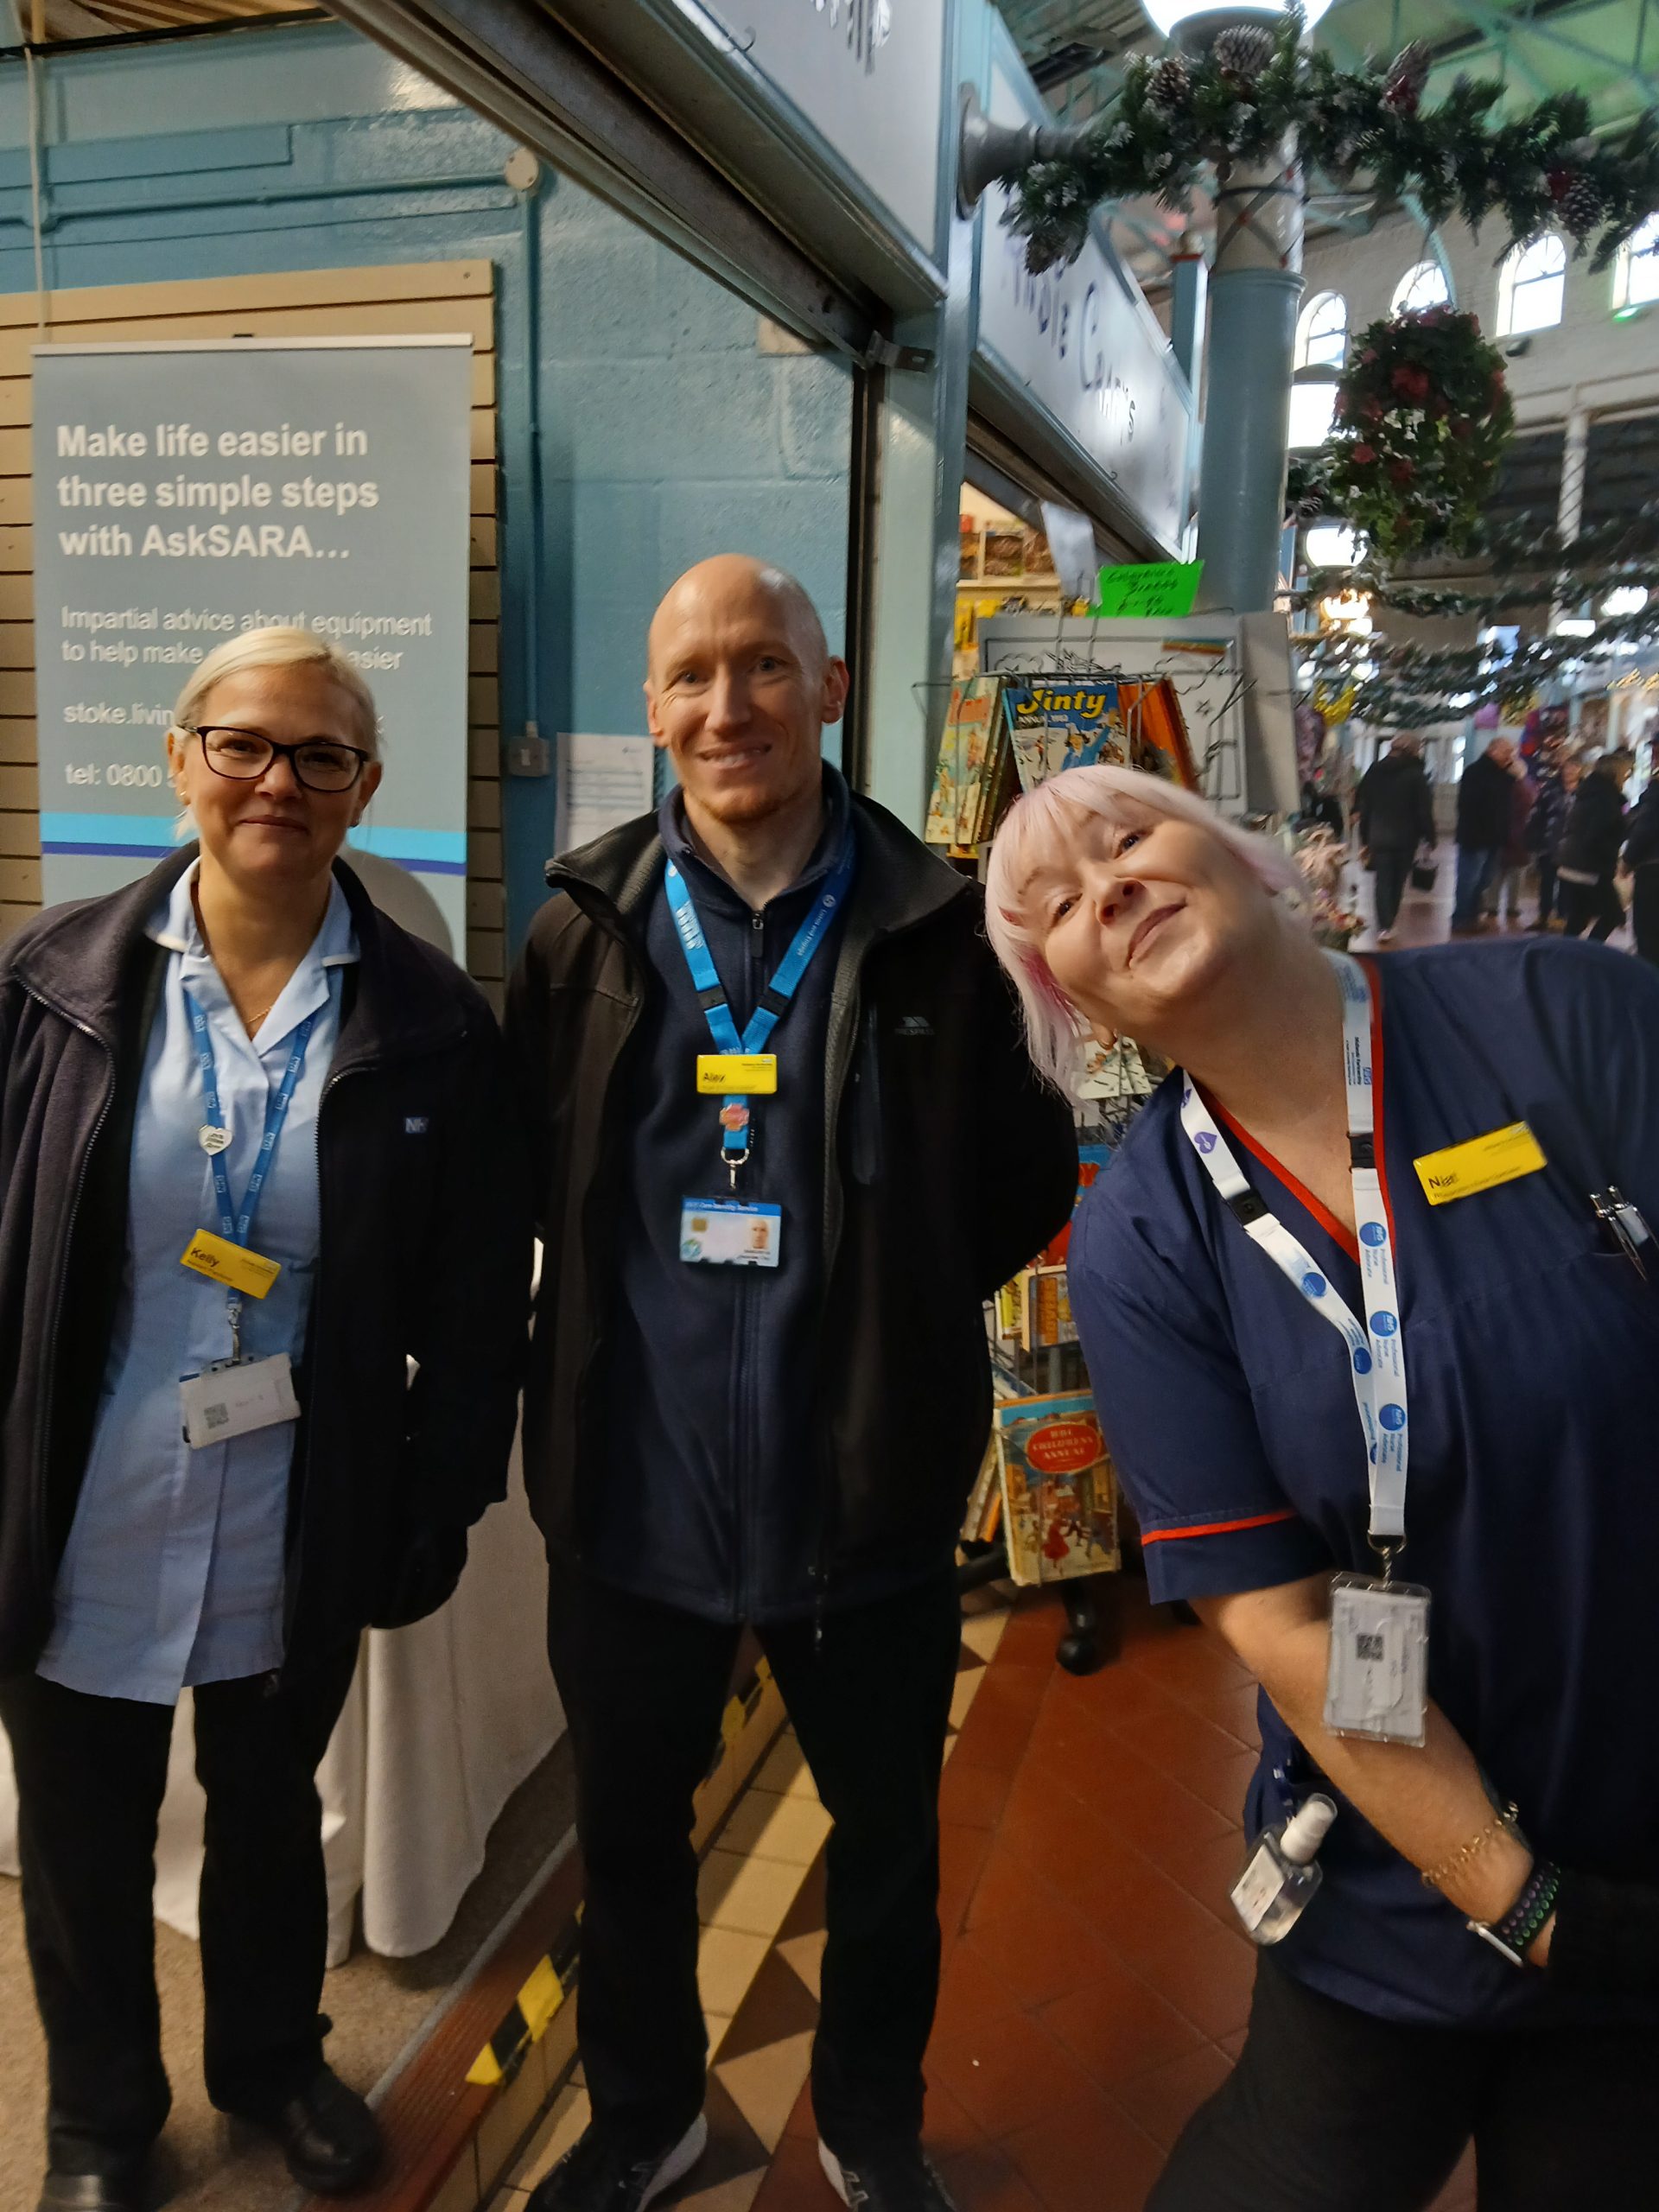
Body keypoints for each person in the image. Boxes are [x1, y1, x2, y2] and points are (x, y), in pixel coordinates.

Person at [983, 763, 1659, 2210]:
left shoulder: (1561, 1014)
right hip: (1394, 1862)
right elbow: (1280, 1619)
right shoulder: (1144, 1243)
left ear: (1247, 854)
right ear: (1080, 1004)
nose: (1109, 886)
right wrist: (1520, 1899)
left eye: (1128, 838)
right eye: (1059, 907)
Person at [507, 556, 1075, 2212]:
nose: (727, 704)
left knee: (886, 1847)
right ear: (652, 709)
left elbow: (1019, 1180)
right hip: (634, 1503)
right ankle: (647, 2119)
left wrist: (894, 1314)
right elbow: (536, 1174)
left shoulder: (946, 934)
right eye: (691, 675)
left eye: (764, 664)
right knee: (630, 1850)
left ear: (828, 690)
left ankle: (871, 2126)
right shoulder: (580, 930)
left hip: (866, 1500)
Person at [0, 630, 531, 2212]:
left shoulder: (433, 1024)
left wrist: (439, 1502)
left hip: (296, 1500)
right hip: (83, 1498)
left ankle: (273, 2064)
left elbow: (476, 1303)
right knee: (82, 1835)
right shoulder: (50, 987)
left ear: (365, 788)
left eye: (319, 756)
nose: (275, 782)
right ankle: (98, 2121)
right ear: (180, 759)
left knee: (269, 1817)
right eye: (241, 744)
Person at [1355, 734, 1435, 944]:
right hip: (1405, 837)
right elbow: (1423, 810)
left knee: (1382, 880)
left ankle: (1384, 925)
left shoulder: (1375, 770)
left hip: (1378, 834)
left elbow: (1364, 803)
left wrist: (1364, 836)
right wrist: (1429, 836)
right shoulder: (1415, 775)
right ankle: (1388, 922)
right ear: (1414, 751)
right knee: (1397, 882)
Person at [1557, 747, 1635, 943]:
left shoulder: (1588, 793)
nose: (1627, 776)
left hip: (1573, 863)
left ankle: (1565, 951)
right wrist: (1615, 855)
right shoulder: (1606, 800)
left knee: (1579, 917)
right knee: (1613, 915)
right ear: (1615, 773)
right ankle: (1590, 951)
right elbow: (1597, 835)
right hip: (1591, 867)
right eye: (1625, 772)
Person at [1450, 733, 1520, 934]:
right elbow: (1470, 804)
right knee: (1469, 879)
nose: (1510, 757)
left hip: (1494, 838)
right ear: (1493, 750)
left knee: (1485, 880)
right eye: (1507, 752)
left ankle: (1472, 916)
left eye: (1511, 753)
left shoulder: (1503, 775)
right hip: (1475, 836)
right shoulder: (1475, 772)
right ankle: (1461, 918)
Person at [1527, 751, 1580, 931]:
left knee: (1567, 883)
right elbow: (1537, 814)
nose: (1569, 771)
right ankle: (1543, 915)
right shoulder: (1550, 789)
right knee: (1546, 881)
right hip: (1549, 842)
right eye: (1567, 767)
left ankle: (1562, 916)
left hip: (1572, 846)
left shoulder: (1584, 791)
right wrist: (1534, 838)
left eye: (1574, 767)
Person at [1484, 758, 1537, 931]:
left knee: (1498, 872)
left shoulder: (1505, 787)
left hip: (1505, 834)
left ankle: (1492, 905)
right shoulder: (1528, 787)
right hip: (1521, 835)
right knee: (1516, 874)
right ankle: (1511, 906)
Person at [1624, 747, 1659, 967]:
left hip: (1653, 870)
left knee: (1648, 933)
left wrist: (1627, 861)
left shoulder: (1656, 792)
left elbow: (1646, 828)